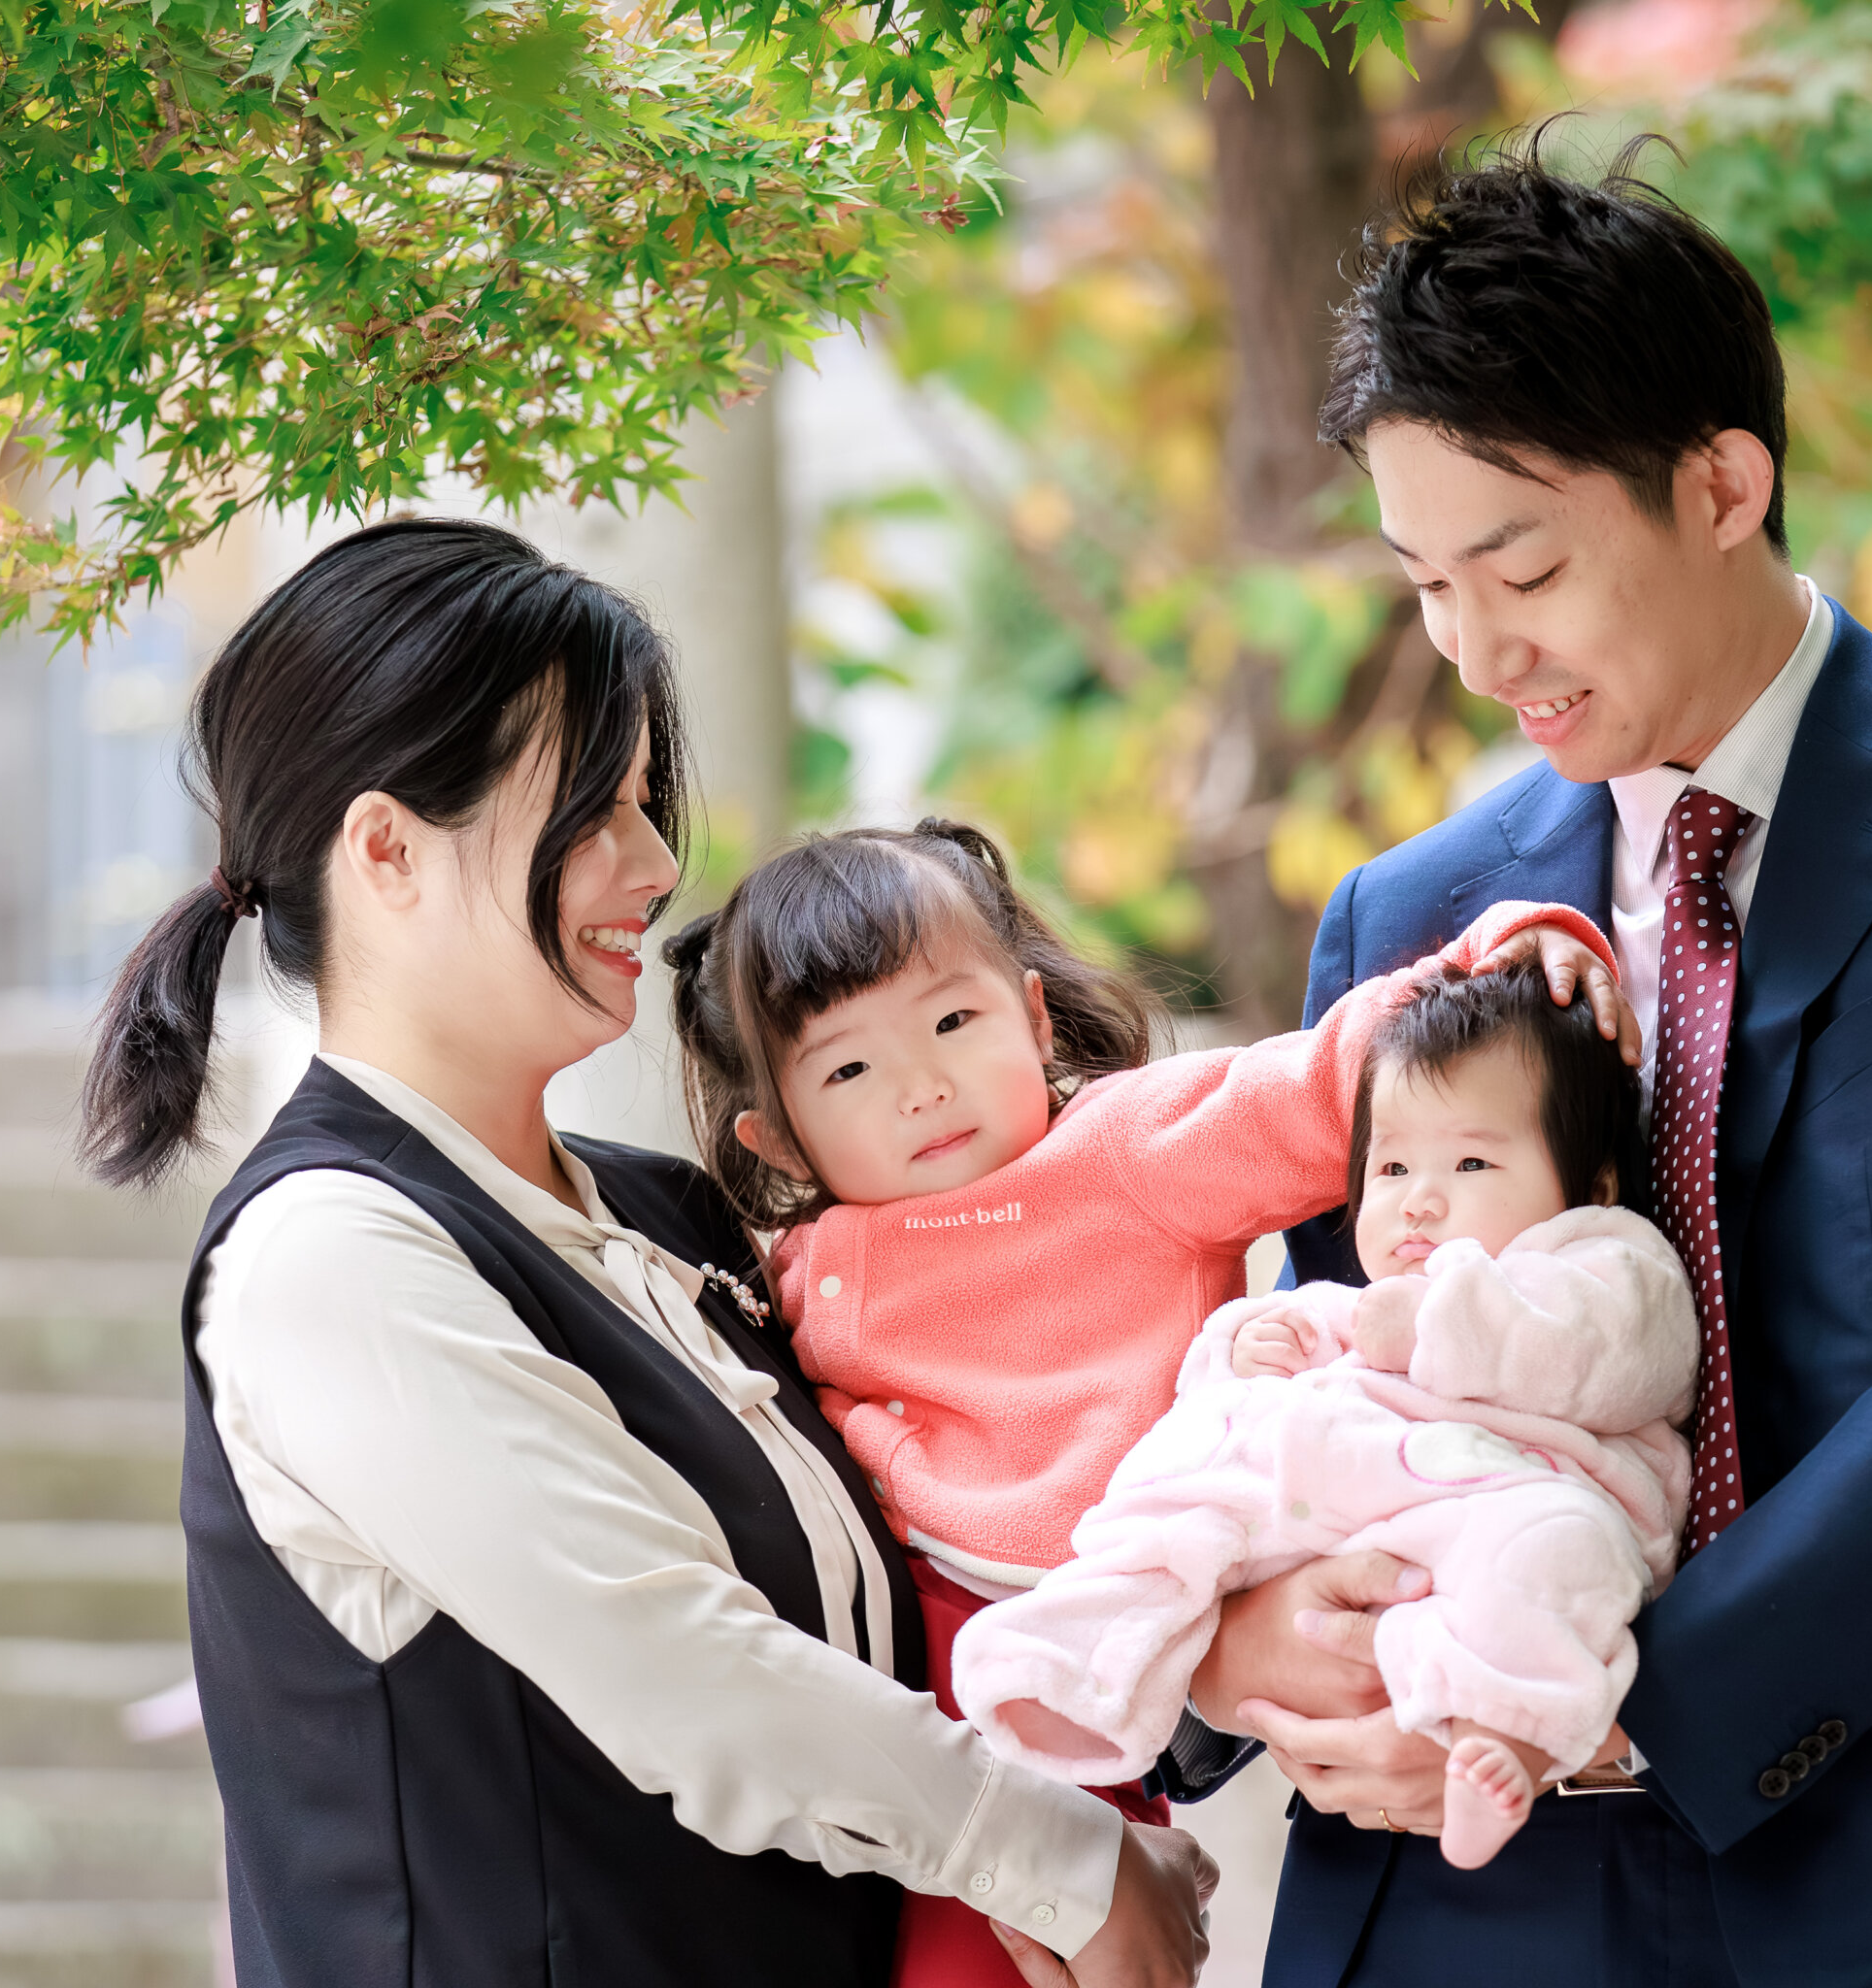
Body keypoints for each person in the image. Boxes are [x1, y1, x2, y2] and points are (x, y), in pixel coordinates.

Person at [1187, 147, 1872, 1984]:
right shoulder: (1403, 908)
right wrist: (1243, 1630)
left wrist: (1626, 1698)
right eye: (1424, 584)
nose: (1480, 651)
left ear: (1722, 481)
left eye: (1527, 565)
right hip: (1465, 1879)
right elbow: (1330, 1352)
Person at [80, 518, 1218, 1988]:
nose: (656, 863)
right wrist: (1060, 1862)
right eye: (594, 810)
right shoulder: (330, 1257)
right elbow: (681, 1667)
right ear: (385, 850)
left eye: (644, 804)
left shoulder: (670, 1220)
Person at [663, 822, 1617, 1983]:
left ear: (1033, 1015)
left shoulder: (1129, 1146)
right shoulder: (809, 1262)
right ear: (779, 1134)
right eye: (849, 1070)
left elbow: (1326, 1084)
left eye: (953, 1022)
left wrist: (1494, 959)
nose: (920, 1086)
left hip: (1126, 1601)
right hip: (908, 1640)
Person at [952, 961, 1698, 1872]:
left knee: (1558, 1555)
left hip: (1513, 1503)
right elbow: (1290, 1342)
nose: (1419, 1196)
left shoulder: (1603, 1258)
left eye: (1471, 1161)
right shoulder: (1364, 1296)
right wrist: (1245, 1350)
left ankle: (1510, 1737)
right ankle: (1083, 1652)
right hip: (1348, 1511)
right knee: (1188, 1472)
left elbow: (1613, 1352)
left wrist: (1440, 1319)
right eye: (1391, 1165)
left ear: (1597, 1181)